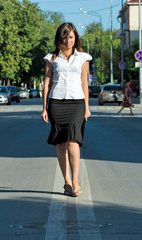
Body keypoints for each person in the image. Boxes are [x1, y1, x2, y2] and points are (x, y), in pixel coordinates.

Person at [41, 22, 92, 197]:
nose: (68, 40)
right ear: (59, 38)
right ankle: (67, 182)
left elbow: (84, 82)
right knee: (61, 143)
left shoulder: (83, 58)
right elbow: (47, 82)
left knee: (73, 140)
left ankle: (76, 179)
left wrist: (87, 107)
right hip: (56, 102)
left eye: (71, 36)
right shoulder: (51, 58)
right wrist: (44, 108)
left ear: (75, 37)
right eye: (65, 36)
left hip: (77, 103)